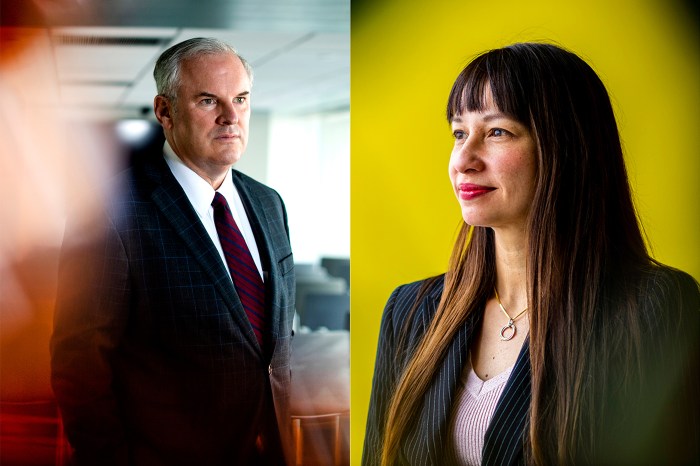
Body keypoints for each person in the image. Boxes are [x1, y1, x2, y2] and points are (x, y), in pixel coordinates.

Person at [363, 42, 699, 466]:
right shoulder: (411, 311)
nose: (463, 160)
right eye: (459, 133)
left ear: (565, 146)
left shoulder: (652, 307)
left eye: (497, 131)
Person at [50, 38, 296, 466]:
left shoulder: (269, 203)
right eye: (208, 100)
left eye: (240, 99)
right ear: (165, 111)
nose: (231, 117)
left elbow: (275, 345)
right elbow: (79, 367)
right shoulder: (110, 211)